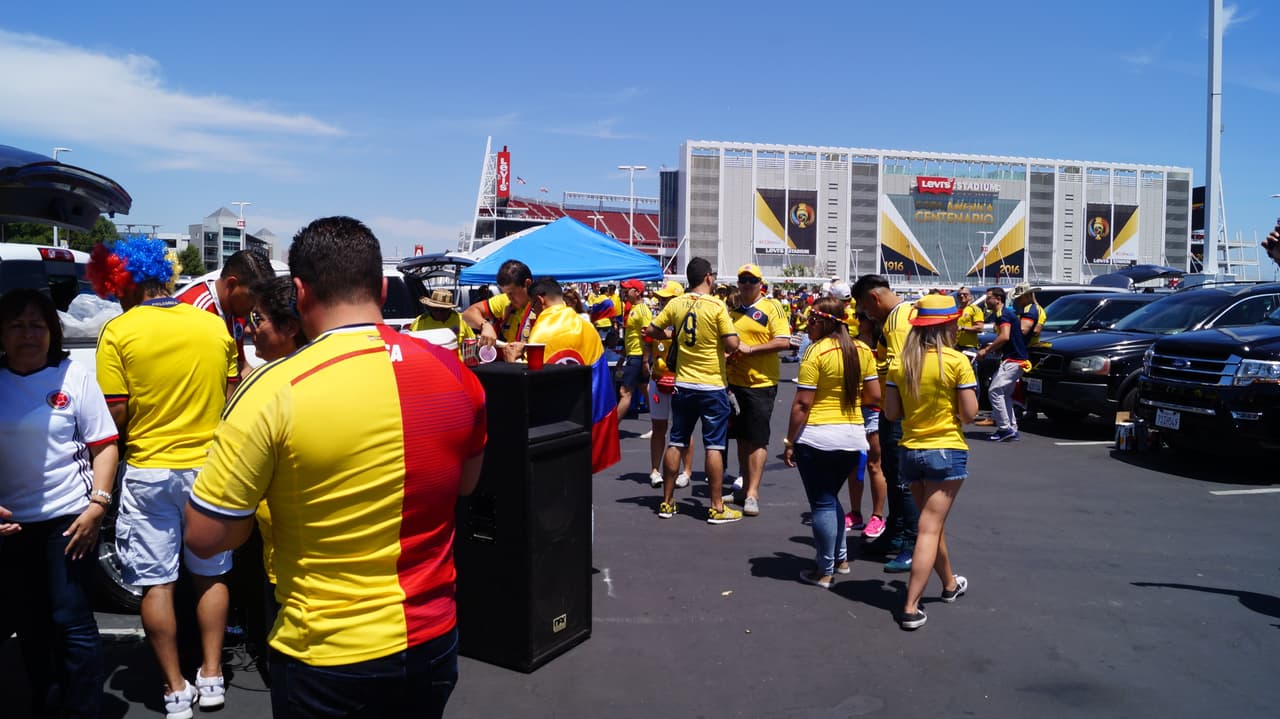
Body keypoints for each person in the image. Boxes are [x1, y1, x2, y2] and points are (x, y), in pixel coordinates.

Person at [186, 216, 488, 719]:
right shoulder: (455, 374)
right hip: (433, 637)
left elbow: (205, 535)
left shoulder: (270, 391)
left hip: (326, 651)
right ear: (384, 287)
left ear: (299, 292)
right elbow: (468, 483)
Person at [91, 238, 239, 718]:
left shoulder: (119, 330)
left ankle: (175, 689)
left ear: (121, 281)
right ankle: (213, 674)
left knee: (157, 585)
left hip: (151, 469)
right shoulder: (212, 327)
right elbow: (232, 394)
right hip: (210, 469)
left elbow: (116, 413)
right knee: (211, 575)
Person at [0, 289, 120, 719]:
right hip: (11, 529)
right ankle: (46, 705)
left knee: (70, 621)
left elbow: (104, 445)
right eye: (16, 325)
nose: (27, 334)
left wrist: (97, 506)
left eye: (36, 325)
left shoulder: (74, 377)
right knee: (30, 625)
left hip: (69, 522)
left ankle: (84, 708)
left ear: (51, 331)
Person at [883, 294, 979, 630]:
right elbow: (970, 414)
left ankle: (950, 585)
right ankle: (910, 606)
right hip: (945, 449)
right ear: (948, 325)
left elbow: (892, 413)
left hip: (909, 450)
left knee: (931, 526)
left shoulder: (900, 363)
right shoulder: (956, 362)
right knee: (928, 528)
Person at [782, 298, 880, 588]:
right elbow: (874, 396)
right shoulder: (862, 349)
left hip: (817, 438)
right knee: (831, 498)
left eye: (812, 320)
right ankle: (840, 558)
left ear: (825, 322)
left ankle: (824, 570)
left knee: (822, 503)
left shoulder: (816, 352)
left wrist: (789, 440)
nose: (808, 325)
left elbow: (802, 403)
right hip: (852, 438)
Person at [645, 257, 743, 524]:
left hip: (683, 384)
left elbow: (652, 329)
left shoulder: (676, 303)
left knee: (676, 440)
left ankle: (666, 502)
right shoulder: (717, 306)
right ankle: (716, 507)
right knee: (713, 445)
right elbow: (732, 343)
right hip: (711, 384)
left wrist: (669, 335)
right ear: (709, 278)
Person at [504, 278, 622, 474]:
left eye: (532, 307)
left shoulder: (543, 331)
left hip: (555, 425)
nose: (533, 312)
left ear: (540, 301)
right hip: (586, 418)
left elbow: (532, 381)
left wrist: (511, 363)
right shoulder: (586, 327)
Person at [851, 274, 919, 574]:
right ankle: (896, 532)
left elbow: (903, 368)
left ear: (874, 299)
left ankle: (911, 542)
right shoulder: (896, 318)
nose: (867, 315)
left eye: (865, 308)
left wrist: (894, 410)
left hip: (900, 412)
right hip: (892, 410)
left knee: (903, 481)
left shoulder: (898, 320)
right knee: (894, 476)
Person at [725, 263, 793, 517]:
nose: (746, 284)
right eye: (742, 279)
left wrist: (750, 350)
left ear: (759, 284)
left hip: (760, 383)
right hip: (736, 382)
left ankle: (753, 492)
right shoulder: (733, 310)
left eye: (751, 280)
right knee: (741, 438)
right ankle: (743, 486)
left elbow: (784, 341)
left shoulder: (770, 307)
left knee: (757, 439)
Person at [174, 248, 274, 376]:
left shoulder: (236, 313)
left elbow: (241, 366)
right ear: (232, 284)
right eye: (252, 297)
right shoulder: (195, 310)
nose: (255, 306)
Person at [645, 280, 695, 488]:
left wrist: (666, 334)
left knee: (684, 428)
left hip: (680, 381)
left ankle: (686, 471)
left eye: (667, 299)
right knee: (658, 427)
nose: (663, 303)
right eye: (661, 299)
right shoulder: (658, 321)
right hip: (658, 380)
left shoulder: (687, 322)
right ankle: (655, 470)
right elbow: (648, 337)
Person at [977, 283, 1040, 442]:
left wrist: (987, 349)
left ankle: (1005, 428)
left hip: (1014, 360)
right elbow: (1009, 337)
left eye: (988, 298)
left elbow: (1005, 336)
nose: (986, 301)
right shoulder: (1007, 313)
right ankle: (1011, 428)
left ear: (997, 299)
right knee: (1003, 393)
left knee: (995, 391)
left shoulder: (1003, 314)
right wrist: (998, 348)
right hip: (1016, 358)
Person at [845, 308, 888, 540]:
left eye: (862, 318)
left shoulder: (887, 345)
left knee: (874, 465)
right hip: (855, 408)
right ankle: (855, 512)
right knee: (854, 463)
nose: (858, 322)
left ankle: (877, 516)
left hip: (876, 410)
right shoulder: (854, 346)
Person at [462, 258, 535, 347]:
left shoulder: (541, 306)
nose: (509, 298)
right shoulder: (505, 301)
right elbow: (467, 314)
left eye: (511, 293)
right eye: (506, 293)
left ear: (527, 284)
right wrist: (485, 325)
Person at [615, 279, 651, 421]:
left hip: (638, 356)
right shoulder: (632, 309)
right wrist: (623, 356)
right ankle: (659, 426)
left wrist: (645, 360)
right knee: (645, 389)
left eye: (627, 289)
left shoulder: (642, 310)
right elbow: (631, 336)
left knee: (625, 392)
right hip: (634, 355)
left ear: (637, 292)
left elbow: (647, 337)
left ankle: (611, 429)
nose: (624, 292)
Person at [410, 288, 476, 345]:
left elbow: (471, 340)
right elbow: (411, 343)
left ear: (449, 309)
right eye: (435, 309)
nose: (439, 313)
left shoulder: (461, 320)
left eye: (443, 310)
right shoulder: (421, 321)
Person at [954, 286, 985, 353]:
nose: (962, 296)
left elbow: (980, 328)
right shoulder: (956, 310)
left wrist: (963, 328)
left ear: (970, 296)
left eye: (965, 294)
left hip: (969, 347)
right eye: (959, 295)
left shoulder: (975, 309)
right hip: (956, 346)